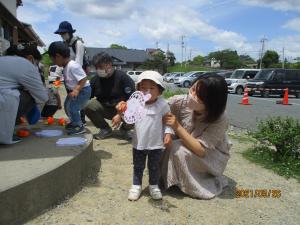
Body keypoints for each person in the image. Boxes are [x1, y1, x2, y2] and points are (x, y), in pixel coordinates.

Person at [161, 74, 231, 199]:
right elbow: (158, 106)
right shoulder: (180, 101)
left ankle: (192, 182)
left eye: (200, 96)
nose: (192, 96)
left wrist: (177, 127)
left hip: (210, 154)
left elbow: (201, 150)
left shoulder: (220, 118)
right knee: (165, 140)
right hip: (187, 143)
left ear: (212, 102)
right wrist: (130, 106)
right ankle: (172, 177)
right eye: (193, 89)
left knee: (177, 148)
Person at [115, 71, 173, 201]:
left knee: (154, 167)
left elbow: (168, 121)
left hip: (156, 144)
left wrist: (168, 133)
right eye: (143, 88)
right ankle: (136, 186)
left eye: (152, 88)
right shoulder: (135, 103)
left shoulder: (163, 104)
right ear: (138, 89)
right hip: (138, 143)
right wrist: (121, 113)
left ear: (160, 91)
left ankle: (153, 186)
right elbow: (128, 119)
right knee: (138, 166)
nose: (147, 91)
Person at [0, 44, 48, 144]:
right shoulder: (25, 63)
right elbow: (43, 96)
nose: (36, 66)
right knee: (31, 95)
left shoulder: (3, 60)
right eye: (36, 63)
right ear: (30, 58)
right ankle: (6, 130)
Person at [85, 53, 135, 140]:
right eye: (96, 67)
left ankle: (125, 129)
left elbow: (133, 99)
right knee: (88, 105)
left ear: (109, 65)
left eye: (100, 67)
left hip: (122, 109)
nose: (98, 70)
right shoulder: (95, 80)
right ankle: (105, 129)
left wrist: (119, 114)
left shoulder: (123, 77)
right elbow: (87, 96)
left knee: (137, 110)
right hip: (105, 108)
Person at [48, 41, 91, 135]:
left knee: (73, 107)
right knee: (67, 105)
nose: (53, 62)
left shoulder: (73, 65)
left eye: (53, 59)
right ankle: (74, 122)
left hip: (83, 90)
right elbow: (60, 80)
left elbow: (83, 78)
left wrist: (76, 90)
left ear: (58, 56)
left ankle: (79, 126)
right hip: (76, 90)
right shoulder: (65, 66)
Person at [54, 21, 87, 124]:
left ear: (70, 32)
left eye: (64, 33)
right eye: (61, 34)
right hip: (68, 74)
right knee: (70, 98)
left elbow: (79, 62)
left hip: (78, 73)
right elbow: (60, 64)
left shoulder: (78, 43)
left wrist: (72, 75)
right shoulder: (63, 45)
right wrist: (57, 82)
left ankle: (81, 120)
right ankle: (73, 119)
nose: (62, 36)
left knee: (78, 98)